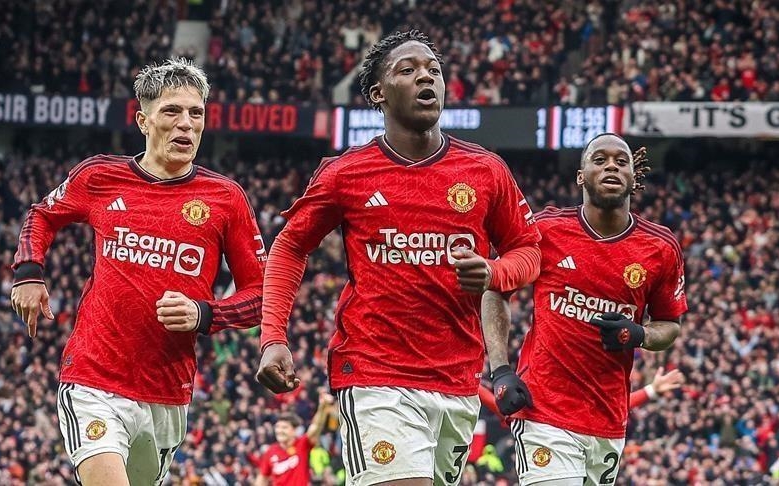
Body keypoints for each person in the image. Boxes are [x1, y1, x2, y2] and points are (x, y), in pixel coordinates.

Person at [256, 30, 541, 486]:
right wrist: (273, 336)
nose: (426, 77)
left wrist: (494, 271)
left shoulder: (485, 171)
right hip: (375, 374)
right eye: (407, 70)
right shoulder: (346, 173)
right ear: (378, 94)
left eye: (433, 70)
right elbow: (290, 246)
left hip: (457, 380)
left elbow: (528, 251)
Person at [10, 58, 266, 486]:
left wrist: (205, 314)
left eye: (196, 113)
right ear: (143, 121)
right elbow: (42, 215)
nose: (186, 124)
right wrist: (29, 272)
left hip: (167, 392)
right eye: (172, 111)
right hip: (93, 378)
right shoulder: (100, 176)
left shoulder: (225, 198)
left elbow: (262, 294)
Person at [497, 135, 687, 485]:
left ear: (634, 177)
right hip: (544, 412)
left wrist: (639, 334)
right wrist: (500, 370)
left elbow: (669, 325)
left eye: (621, 161)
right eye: (599, 159)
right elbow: (496, 288)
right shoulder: (547, 230)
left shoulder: (660, 248)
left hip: (608, 420)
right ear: (581, 175)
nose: (611, 166)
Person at [478, 367, 686, 418]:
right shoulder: (533, 402)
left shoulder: (579, 399)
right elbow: (504, 407)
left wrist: (651, 391)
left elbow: (608, 410)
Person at [255, 392, 336, 485]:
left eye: (284, 427)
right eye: (277, 427)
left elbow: (315, 427)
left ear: (294, 430)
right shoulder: (271, 451)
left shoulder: (302, 444)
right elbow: (262, 477)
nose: (279, 431)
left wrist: (322, 407)